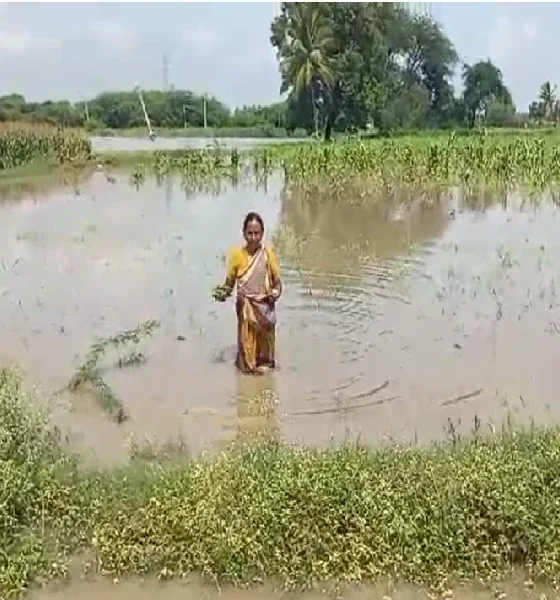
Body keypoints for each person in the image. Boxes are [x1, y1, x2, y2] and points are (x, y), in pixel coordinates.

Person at [215, 212, 283, 375]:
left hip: (265, 309)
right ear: (244, 233)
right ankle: (247, 387)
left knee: (266, 360)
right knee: (247, 357)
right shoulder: (237, 256)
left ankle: (264, 386)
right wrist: (222, 293)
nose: (253, 237)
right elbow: (229, 284)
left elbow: (277, 283)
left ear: (262, 233)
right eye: (250, 233)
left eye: (256, 233)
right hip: (246, 309)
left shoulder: (268, 255)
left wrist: (275, 294)